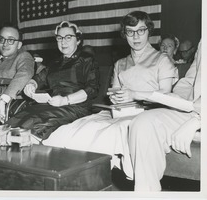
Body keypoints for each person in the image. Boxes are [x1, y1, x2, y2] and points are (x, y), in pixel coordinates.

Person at [43, 11, 178, 179]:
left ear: (149, 31)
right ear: (125, 34)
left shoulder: (162, 60)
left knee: (110, 135)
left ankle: (93, 179)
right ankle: (74, 180)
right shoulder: (120, 63)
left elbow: (166, 95)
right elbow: (115, 91)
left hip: (149, 115)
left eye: (141, 30)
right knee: (70, 132)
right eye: (130, 31)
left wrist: (134, 95)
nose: (136, 36)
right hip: (120, 112)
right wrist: (116, 98)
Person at [6, 21, 100, 140]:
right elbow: (39, 78)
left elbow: (92, 89)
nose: (63, 41)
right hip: (53, 104)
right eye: (59, 38)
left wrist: (65, 100)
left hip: (76, 107)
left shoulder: (87, 60)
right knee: (19, 117)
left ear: (78, 40)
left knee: (35, 122)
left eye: (68, 37)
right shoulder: (54, 63)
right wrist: (31, 84)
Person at [129, 40, 201, 191]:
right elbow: (189, 81)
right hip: (196, 108)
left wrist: (197, 121)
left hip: (200, 116)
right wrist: (174, 101)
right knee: (144, 123)